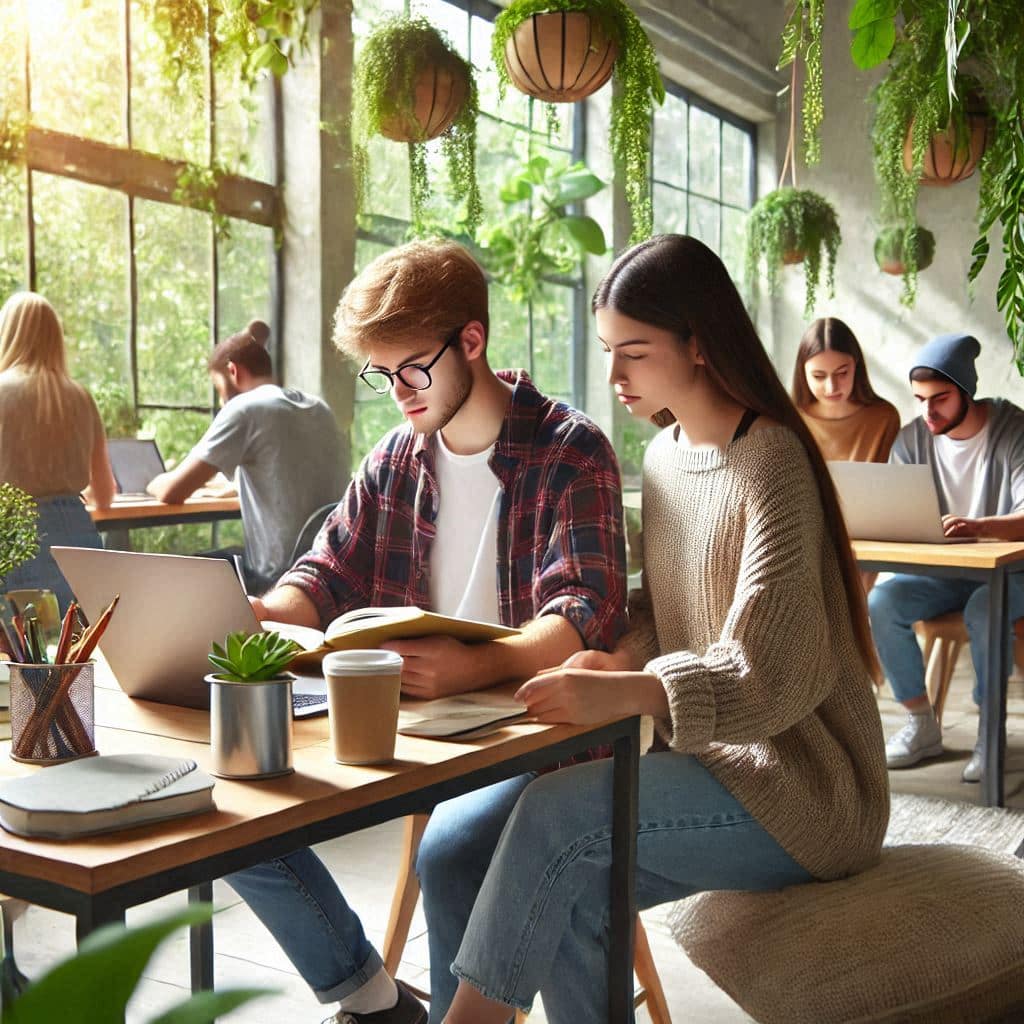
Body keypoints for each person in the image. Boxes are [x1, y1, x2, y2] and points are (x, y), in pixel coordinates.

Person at [428, 234, 890, 1024]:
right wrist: (615, 656)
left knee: (556, 817)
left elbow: (771, 671)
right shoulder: (667, 459)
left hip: (808, 788)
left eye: (633, 354)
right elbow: (673, 603)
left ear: (698, 344)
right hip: (723, 764)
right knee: (547, 874)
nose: (614, 378)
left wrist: (638, 691)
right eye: (609, 352)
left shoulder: (773, 461)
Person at [224, 240, 628, 1024]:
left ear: (470, 341)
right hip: (417, 732)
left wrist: (477, 668)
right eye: (381, 375)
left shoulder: (570, 451)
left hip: (539, 734)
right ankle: (371, 997)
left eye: (411, 368)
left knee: (451, 857)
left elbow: (583, 612)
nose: (398, 393)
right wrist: (265, 613)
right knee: (234, 806)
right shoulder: (395, 461)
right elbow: (327, 572)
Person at [868, 332, 1024, 783]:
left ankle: (987, 732)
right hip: (943, 572)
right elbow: (897, 515)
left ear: (967, 391)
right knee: (883, 602)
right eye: (919, 399)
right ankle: (920, 723)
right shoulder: (912, 440)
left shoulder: (1013, 431)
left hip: (1013, 572)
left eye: (940, 398)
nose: (928, 411)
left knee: (984, 608)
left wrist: (980, 526)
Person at [146, 319, 344, 593]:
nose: (220, 402)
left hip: (278, 576)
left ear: (233, 371)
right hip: (334, 567)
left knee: (169, 572)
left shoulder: (246, 408)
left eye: (218, 389)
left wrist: (151, 481)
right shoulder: (318, 407)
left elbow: (172, 492)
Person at [0, 292, 115, 611]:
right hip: (78, 534)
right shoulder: (80, 397)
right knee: (81, 643)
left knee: (23, 649)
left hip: (15, 532)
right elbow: (104, 495)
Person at [792, 316, 900, 463]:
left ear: (856, 366)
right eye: (818, 376)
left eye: (842, 373)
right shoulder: (790, 419)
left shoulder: (884, 418)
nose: (831, 387)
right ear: (802, 373)